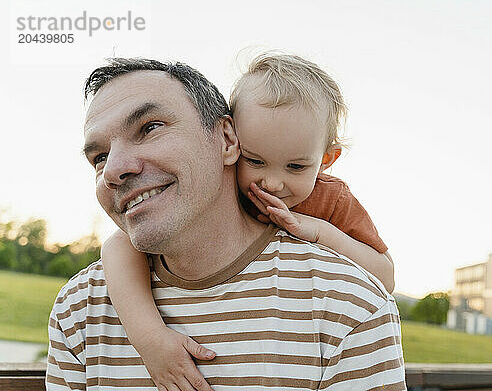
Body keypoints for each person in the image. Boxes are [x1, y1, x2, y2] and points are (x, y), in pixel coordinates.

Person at [46, 57, 406, 390]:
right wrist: (149, 338)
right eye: (99, 156)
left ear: (227, 139)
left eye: (151, 127)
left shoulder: (351, 305)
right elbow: (118, 243)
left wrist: (320, 232)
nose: (272, 184)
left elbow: (383, 275)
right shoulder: (78, 311)